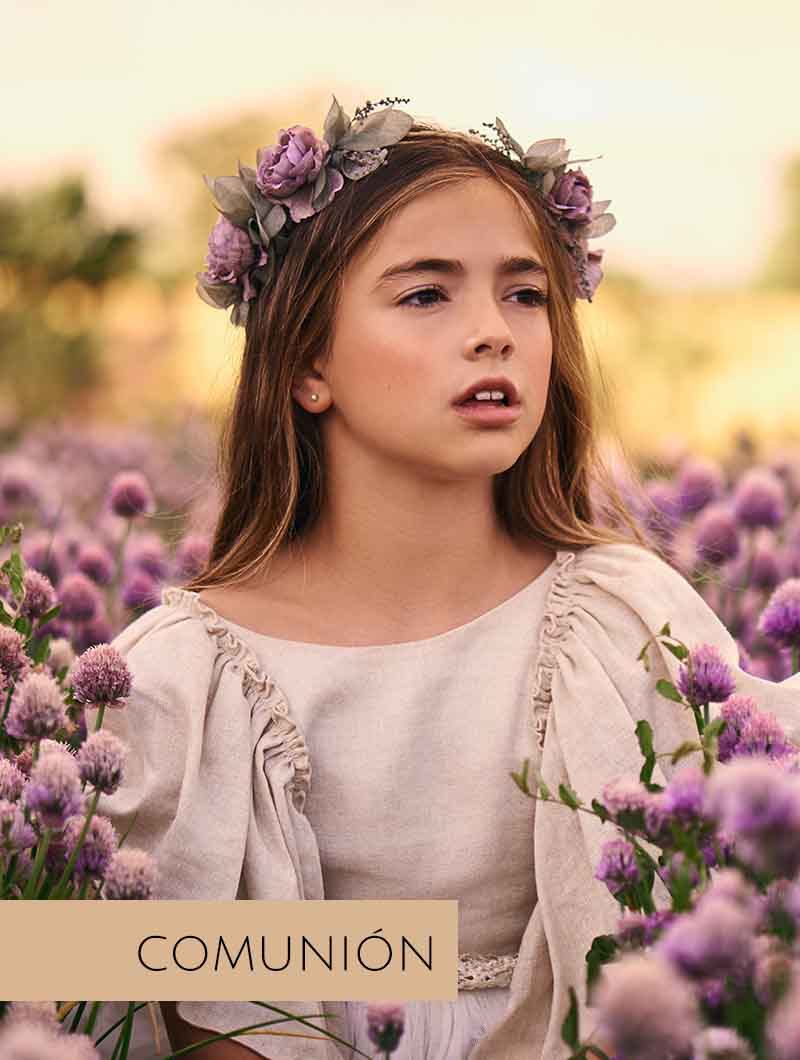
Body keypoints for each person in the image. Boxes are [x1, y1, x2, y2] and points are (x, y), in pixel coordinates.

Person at [91, 98, 800, 1059]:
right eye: (427, 295)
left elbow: (749, 867)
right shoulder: (186, 675)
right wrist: (388, 962)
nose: (493, 333)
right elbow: (74, 962)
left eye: (525, 294)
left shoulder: (622, 615)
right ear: (307, 360)